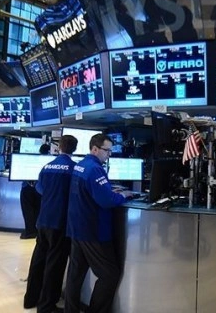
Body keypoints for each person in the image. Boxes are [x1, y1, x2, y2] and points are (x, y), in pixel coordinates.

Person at [65, 134, 133, 313]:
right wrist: (122, 195)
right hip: (93, 231)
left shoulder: (81, 165)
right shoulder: (95, 169)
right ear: (95, 149)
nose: (109, 154)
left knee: (75, 274)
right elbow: (106, 200)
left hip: (77, 227)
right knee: (109, 275)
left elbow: (91, 191)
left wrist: (108, 190)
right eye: (106, 150)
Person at [24, 135, 78, 311]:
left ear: (59, 147)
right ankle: (47, 305)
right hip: (60, 221)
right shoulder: (74, 169)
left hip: (43, 219)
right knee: (55, 264)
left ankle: (31, 298)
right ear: (75, 149)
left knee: (39, 259)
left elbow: (39, 189)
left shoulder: (47, 167)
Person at [19, 142, 49, 239]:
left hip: (27, 187)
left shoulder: (31, 160)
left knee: (27, 211)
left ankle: (30, 231)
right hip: (41, 189)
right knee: (38, 210)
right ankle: (37, 230)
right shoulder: (49, 162)